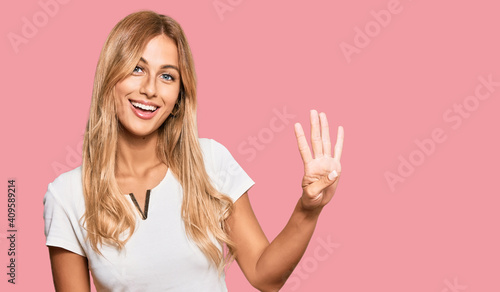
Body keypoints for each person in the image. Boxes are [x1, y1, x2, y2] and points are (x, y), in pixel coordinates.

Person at [43, 10, 344, 292]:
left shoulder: (211, 162)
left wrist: (308, 208)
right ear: (110, 77)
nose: (150, 88)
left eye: (167, 76)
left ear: (179, 96)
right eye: (137, 68)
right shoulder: (67, 195)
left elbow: (264, 276)